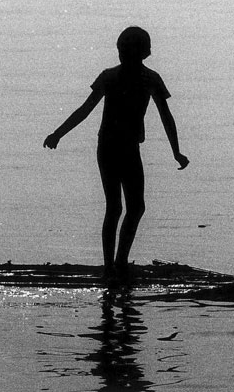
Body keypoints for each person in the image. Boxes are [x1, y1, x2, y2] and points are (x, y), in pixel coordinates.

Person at [43, 27, 189, 281]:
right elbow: (85, 109)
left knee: (129, 207)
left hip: (121, 147)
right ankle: (113, 265)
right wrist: (58, 134)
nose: (122, 54)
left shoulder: (145, 79)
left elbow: (166, 116)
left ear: (140, 53)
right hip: (113, 147)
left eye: (125, 50)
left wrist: (176, 151)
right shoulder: (122, 77)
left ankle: (116, 263)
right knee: (122, 207)